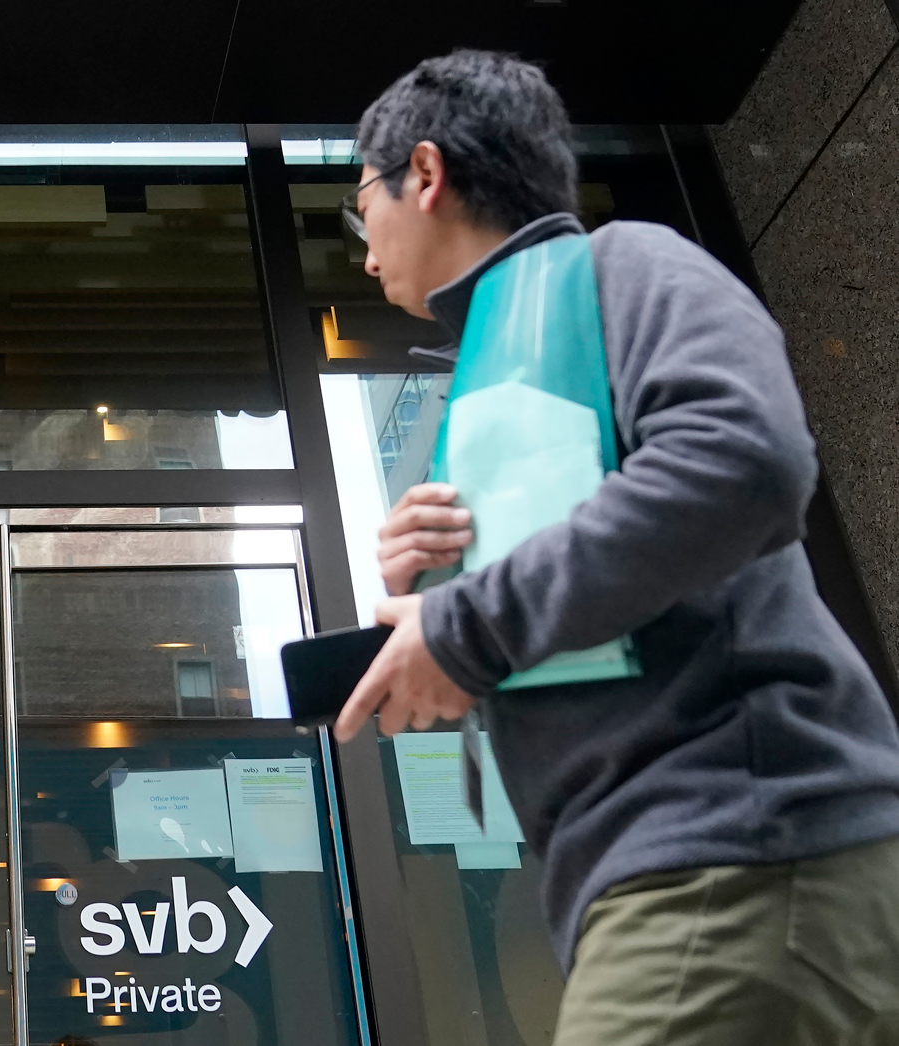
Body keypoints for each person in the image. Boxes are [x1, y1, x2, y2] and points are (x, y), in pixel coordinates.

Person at [330, 50, 899, 1044]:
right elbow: (596, 598)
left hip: (737, 852)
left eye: (362, 203)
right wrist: (439, 587)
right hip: (698, 870)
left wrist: (467, 621)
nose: (366, 252)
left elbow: (747, 459)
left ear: (424, 175)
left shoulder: (623, 267)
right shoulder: (498, 365)